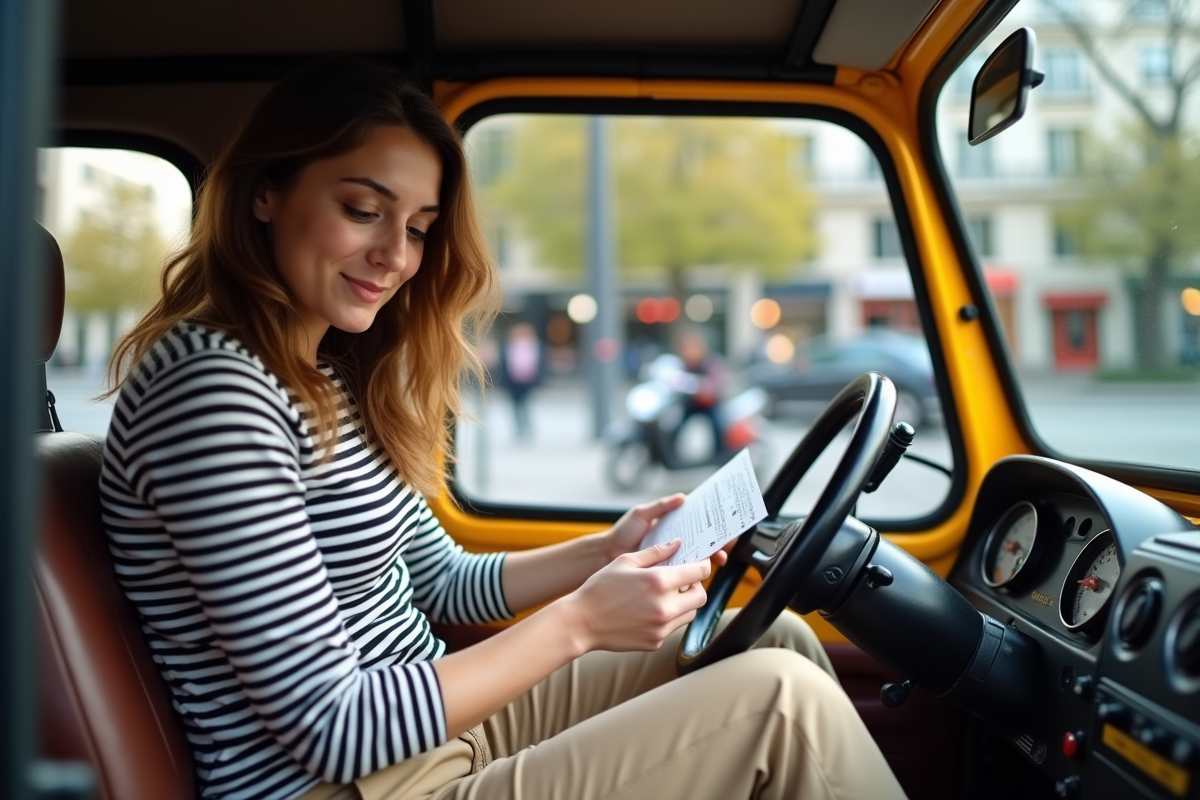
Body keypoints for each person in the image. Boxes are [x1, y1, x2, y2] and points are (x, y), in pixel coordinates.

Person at [98, 56, 908, 800]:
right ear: (265, 193)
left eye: (418, 228)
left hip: (429, 730)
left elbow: (442, 579)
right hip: (345, 783)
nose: (396, 256)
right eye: (362, 210)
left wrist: (606, 550)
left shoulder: (327, 376)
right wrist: (582, 620)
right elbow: (332, 727)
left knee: (773, 642)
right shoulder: (213, 392)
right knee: (781, 705)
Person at [675, 327, 728, 461]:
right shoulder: (683, 365)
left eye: (693, 347)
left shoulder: (711, 363)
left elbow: (716, 385)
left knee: (718, 426)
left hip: (709, 404)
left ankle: (720, 455)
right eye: (686, 348)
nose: (690, 351)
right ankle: (674, 456)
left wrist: (704, 389)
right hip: (691, 403)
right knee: (675, 425)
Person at [498, 321, 541, 440]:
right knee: (515, 405)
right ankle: (519, 428)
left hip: (527, 380)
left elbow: (537, 363)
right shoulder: (509, 346)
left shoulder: (533, 346)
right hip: (512, 380)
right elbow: (505, 363)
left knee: (525, 404)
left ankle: (527, 427)